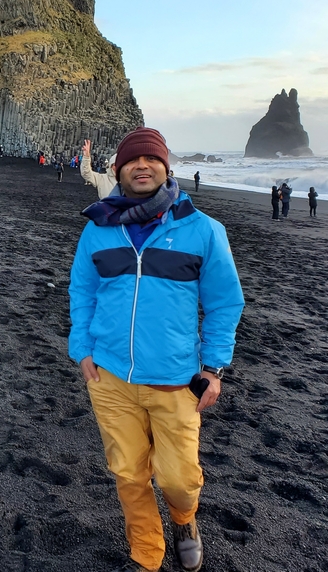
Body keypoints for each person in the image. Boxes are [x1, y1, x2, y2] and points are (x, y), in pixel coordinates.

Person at [69, 127, 244, 572]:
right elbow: (83, 290)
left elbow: (225, 303)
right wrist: (82, 347)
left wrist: (215, 367)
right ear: (118, 170)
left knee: (179, 478)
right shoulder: (98, 229)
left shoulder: (203, 231)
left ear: (167, 168)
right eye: (132, 160)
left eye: (151, 160)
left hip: (175, 381)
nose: (141, 166)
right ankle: (146, 553)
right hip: (109, 378)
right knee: (128, 473)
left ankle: (185, 519)